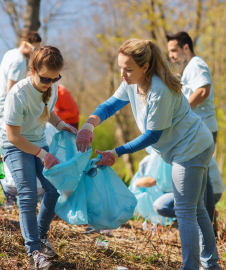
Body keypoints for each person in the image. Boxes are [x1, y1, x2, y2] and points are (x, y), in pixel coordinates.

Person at [76, 39, 219, 269]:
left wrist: (116, 152)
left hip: (191, 148)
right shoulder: (132, 82)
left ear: (145, 67)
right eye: (120, 67)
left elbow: (152, 135)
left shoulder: (158, 90)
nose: (123, 74)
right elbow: (110, 105)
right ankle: (211, 265)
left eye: (128, 69)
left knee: (184, 210)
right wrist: (89, 125)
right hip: (190, 145)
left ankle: (192, 266)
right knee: (196, 208)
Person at [1, 46, 77, 269]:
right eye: (45, 78)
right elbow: (13, 136)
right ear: (32, 70)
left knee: (54, 190)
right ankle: (33, 251)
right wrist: (43, 154)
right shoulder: (17, 94)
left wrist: (62, 125)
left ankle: (41, 238)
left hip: (39, 143)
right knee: (27, 195)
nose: (50, 83)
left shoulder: (50, 88)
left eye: (56, 78)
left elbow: (48, 112)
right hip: (16, 147)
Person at [167, 31, 219, 225]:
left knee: (201, 181)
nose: (171, 55)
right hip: (200, 131)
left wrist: (182, 110)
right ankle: (209, 227)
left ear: (186, 47)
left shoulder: (196, 64)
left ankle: (209, 228)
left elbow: (203, 90)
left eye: (174, 50)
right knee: (202, 179)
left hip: (204, 129)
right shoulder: (189, 68)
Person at [0, 31, 42, 126]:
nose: (35, 53)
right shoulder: (19, 61)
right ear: (25, 45)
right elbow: (11, 92)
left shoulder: (10, 53)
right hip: (6, 110)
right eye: (34, 49)